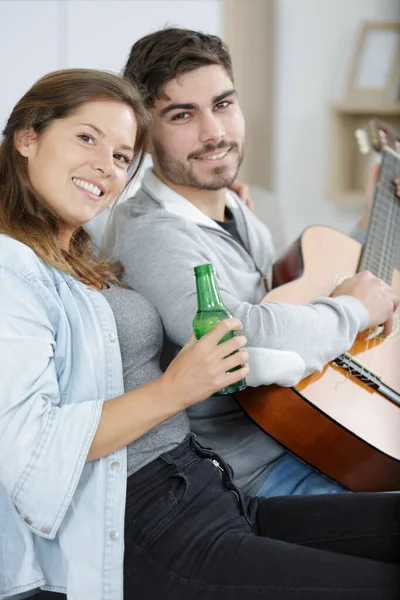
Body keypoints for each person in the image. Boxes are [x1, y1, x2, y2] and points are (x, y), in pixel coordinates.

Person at [1, 67, 400, 600]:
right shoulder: (11, 271)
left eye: (122, 156)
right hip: (151, 527)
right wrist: (175, 389)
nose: (105, 166)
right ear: (26, 136)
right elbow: (29, 450)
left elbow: (285, 286)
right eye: (86, 137)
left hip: (206, 491)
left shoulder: (76, 250)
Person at [106, 27, 400, 499]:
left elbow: (294, 300)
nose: (215, 133)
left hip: (309, 435)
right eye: (183, 115)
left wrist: (372, 219)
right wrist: (355, 312)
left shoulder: (235, 208)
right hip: (252, 475)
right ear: (144, 133)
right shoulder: (152, 236)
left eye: (223, 104)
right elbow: (238, 336)